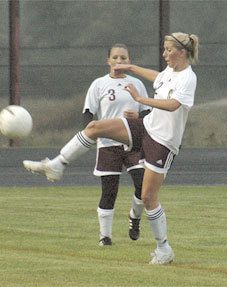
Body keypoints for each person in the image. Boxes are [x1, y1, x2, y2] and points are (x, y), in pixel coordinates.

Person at [23, 32, 199, 265]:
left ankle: (164, 249)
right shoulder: (170, 73)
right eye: (164, 49)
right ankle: (57, 165)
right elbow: (159, 78)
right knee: (95, 127)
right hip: (145, 126)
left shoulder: (188, 77)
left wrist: (141, 99)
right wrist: (132, 67)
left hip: (163, 142)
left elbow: (173, 104)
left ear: (182, 52)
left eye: (168, 50)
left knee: (147, 197)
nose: (164, 54)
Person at [82, 44, 150, 246]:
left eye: (124, 58)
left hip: (133, 143)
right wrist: (92, 132)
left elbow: (149, 112)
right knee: (109, 190)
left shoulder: (136, 83)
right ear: (108, 61)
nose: (119, 61)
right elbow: (88, 113)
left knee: (142, 184)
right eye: (116, 58)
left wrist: (138, 115)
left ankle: (134, 218)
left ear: (129, 61)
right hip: (108, 144)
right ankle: (105, 236)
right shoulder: (99, 84)